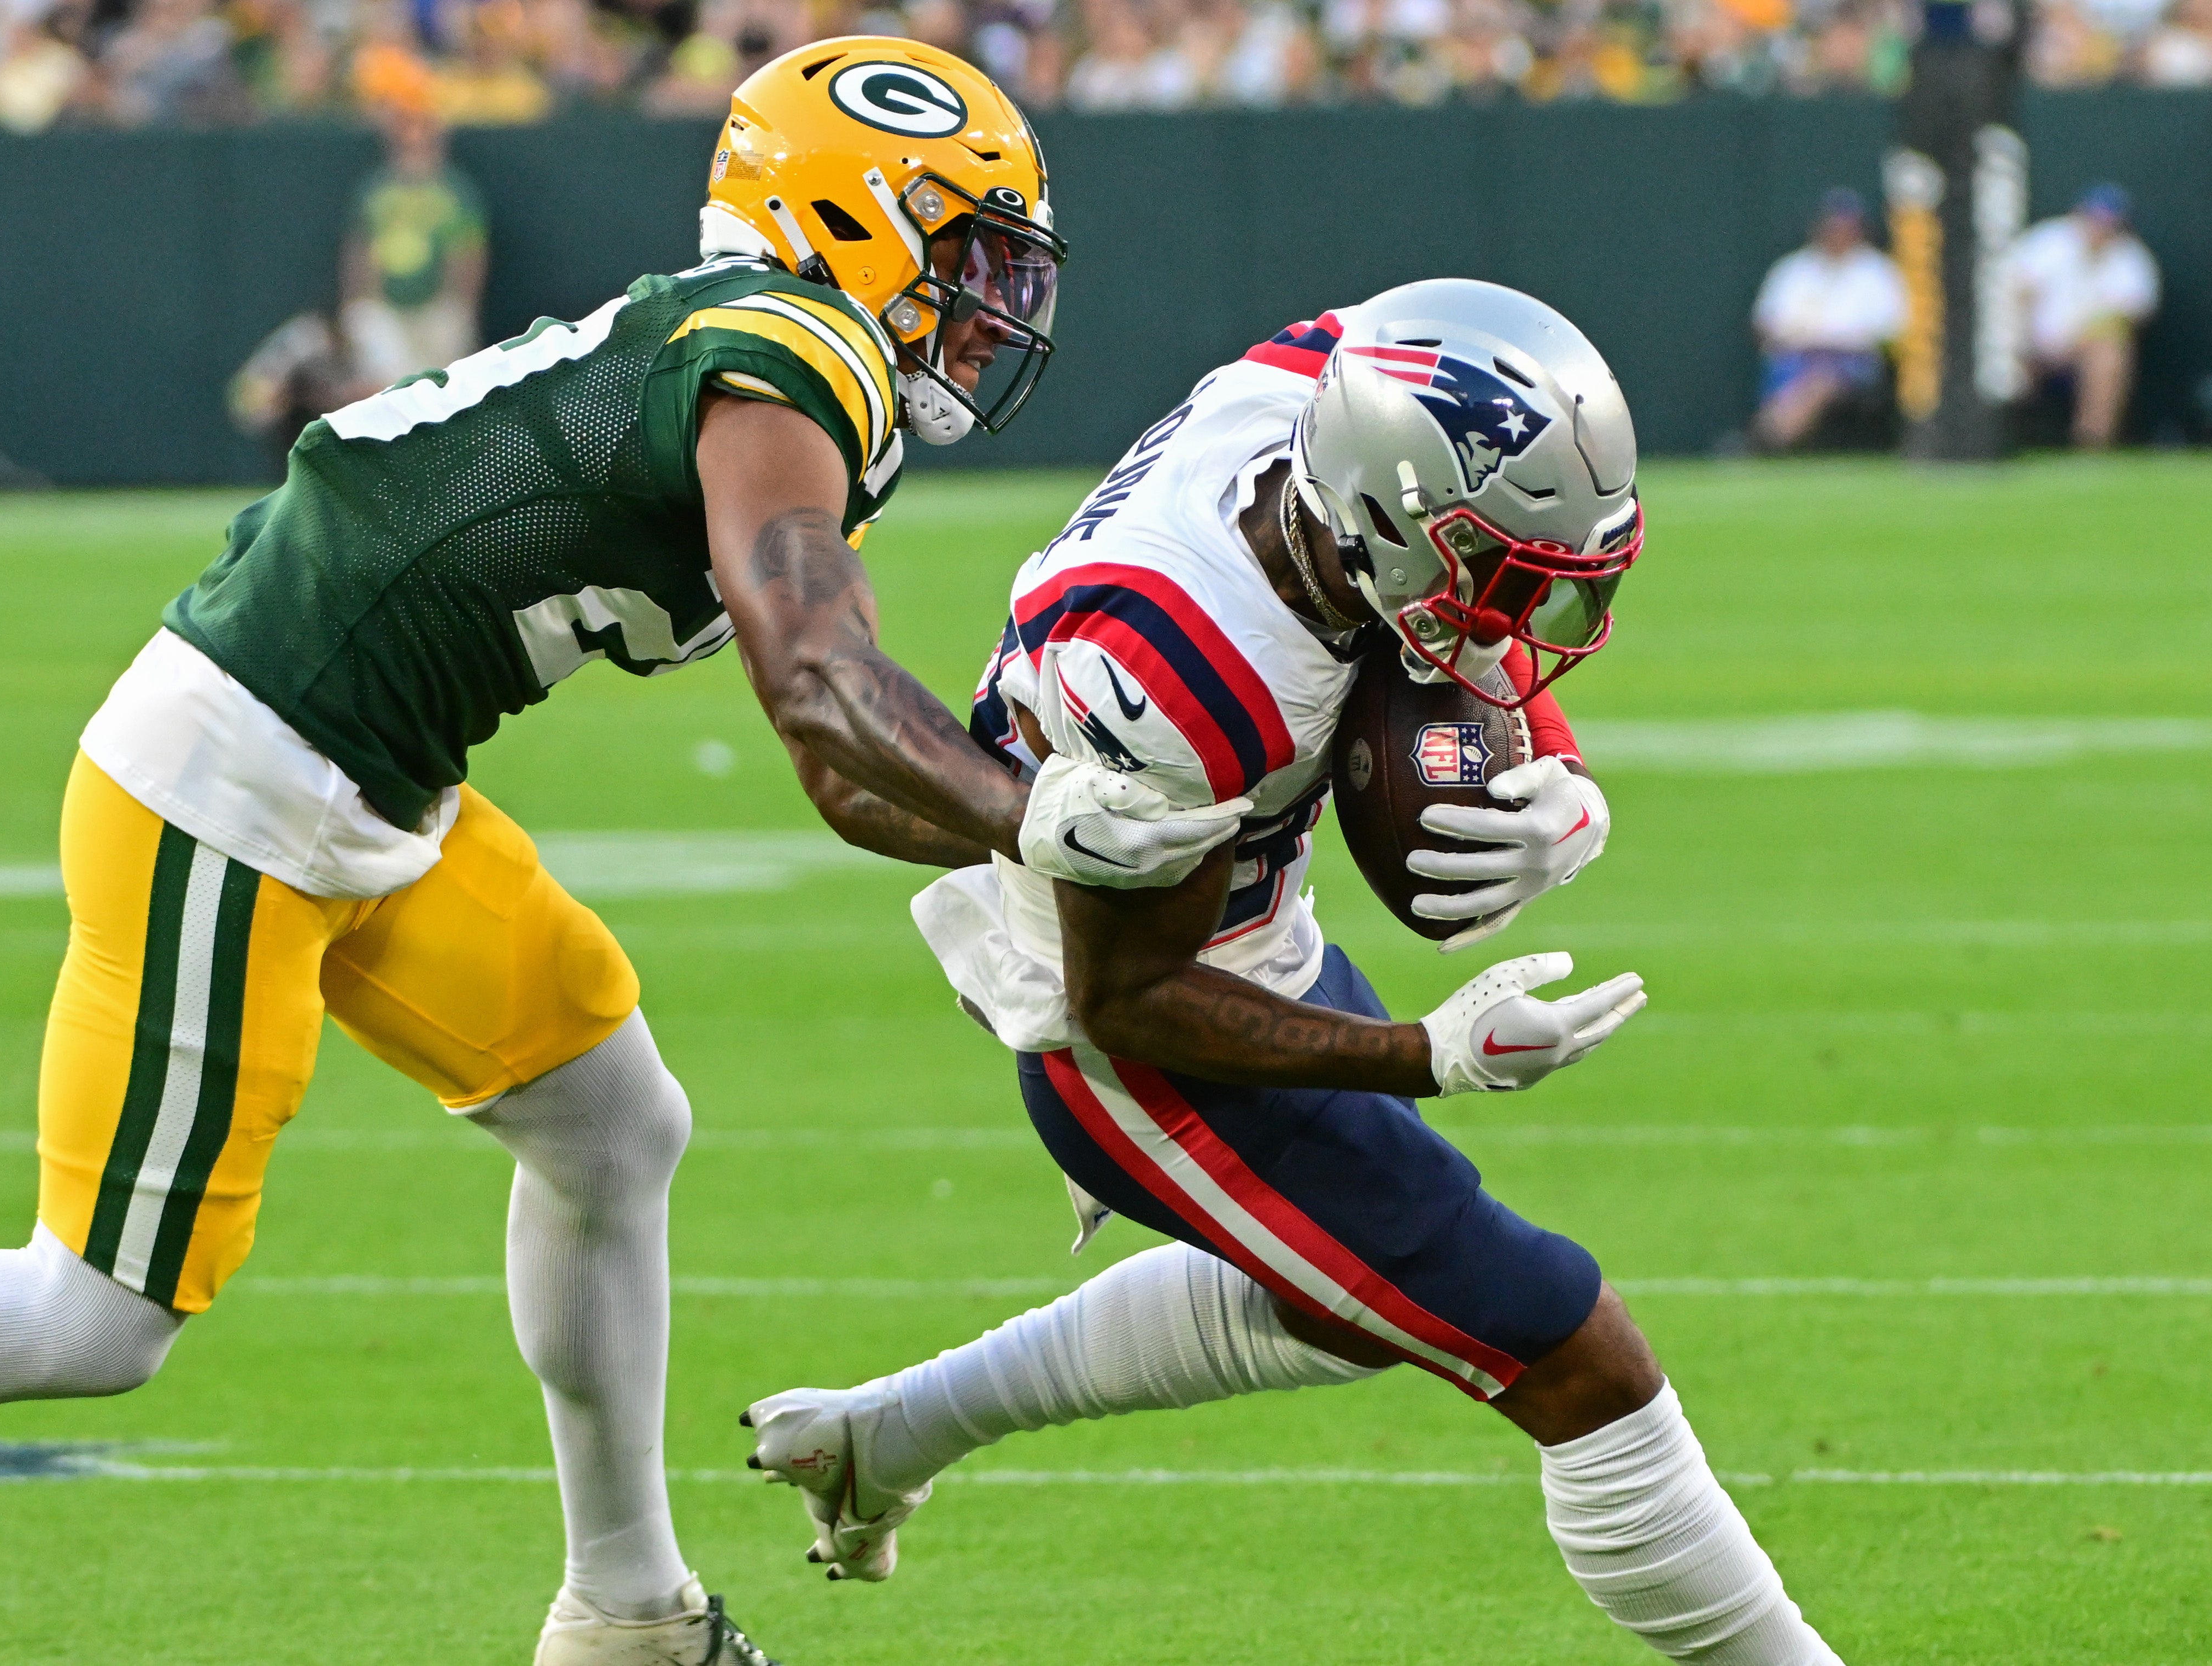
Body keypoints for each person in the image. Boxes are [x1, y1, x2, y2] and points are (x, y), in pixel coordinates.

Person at [0, 38, 1232, 1666]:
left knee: (611, 1126)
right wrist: (1028, 817)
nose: (988, 300)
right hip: (239, 779)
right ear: (846, 217)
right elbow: (822, 691)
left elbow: (839, 757)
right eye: (961, 250)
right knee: (92, 1315)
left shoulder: (769, 355)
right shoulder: (784, 350)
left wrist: (1019, 844)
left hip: (368, 788)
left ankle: (623, 1611)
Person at [745, 281, 1846, 1665]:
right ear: (1384, 521)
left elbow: (1427, 525)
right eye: (1501, 574)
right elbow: (1125, 1001)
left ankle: (883, 1434)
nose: (1529, 613)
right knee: (1569, 1351)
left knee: (1357, 1307)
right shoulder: (1189, 664)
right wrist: (1427, 1056)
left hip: (1246, 937)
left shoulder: (1327, 399)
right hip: (1144, 1054)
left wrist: (1552, 761)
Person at [341, 98, 489, 392]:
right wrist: (359, 300)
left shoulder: (455, 190)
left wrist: (462, 306)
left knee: (440, 393)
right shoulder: (376, 188)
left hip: (438, 310)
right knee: (390, 392)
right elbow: (360, 249)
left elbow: (470, 252)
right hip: (387, 312)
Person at [1749, 186, 1907, 452]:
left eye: (1847, 226)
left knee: (1822, 379)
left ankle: (1766, 441)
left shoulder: (1877, 271)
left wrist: (1835, 340)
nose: (1839, 233)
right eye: (1833, 225)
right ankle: (1771, 437)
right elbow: (1766, 323)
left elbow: (1891, 330)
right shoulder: (1794, 269)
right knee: (1795, 375)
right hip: (1795, 357)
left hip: (1855, 362)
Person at [2009, 182, 2160, 449]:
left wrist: (2069, 345)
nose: (2098, 229)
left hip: (2079, 350)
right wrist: (2025, 342)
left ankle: (2091, 444)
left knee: (2110, 352)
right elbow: (2014, 294)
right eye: (2093, 219)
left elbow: (2124, 319)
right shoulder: (2047, 242)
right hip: (2025, 342)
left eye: (2108, 223)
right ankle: (2001, 442)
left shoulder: (2130, 259)